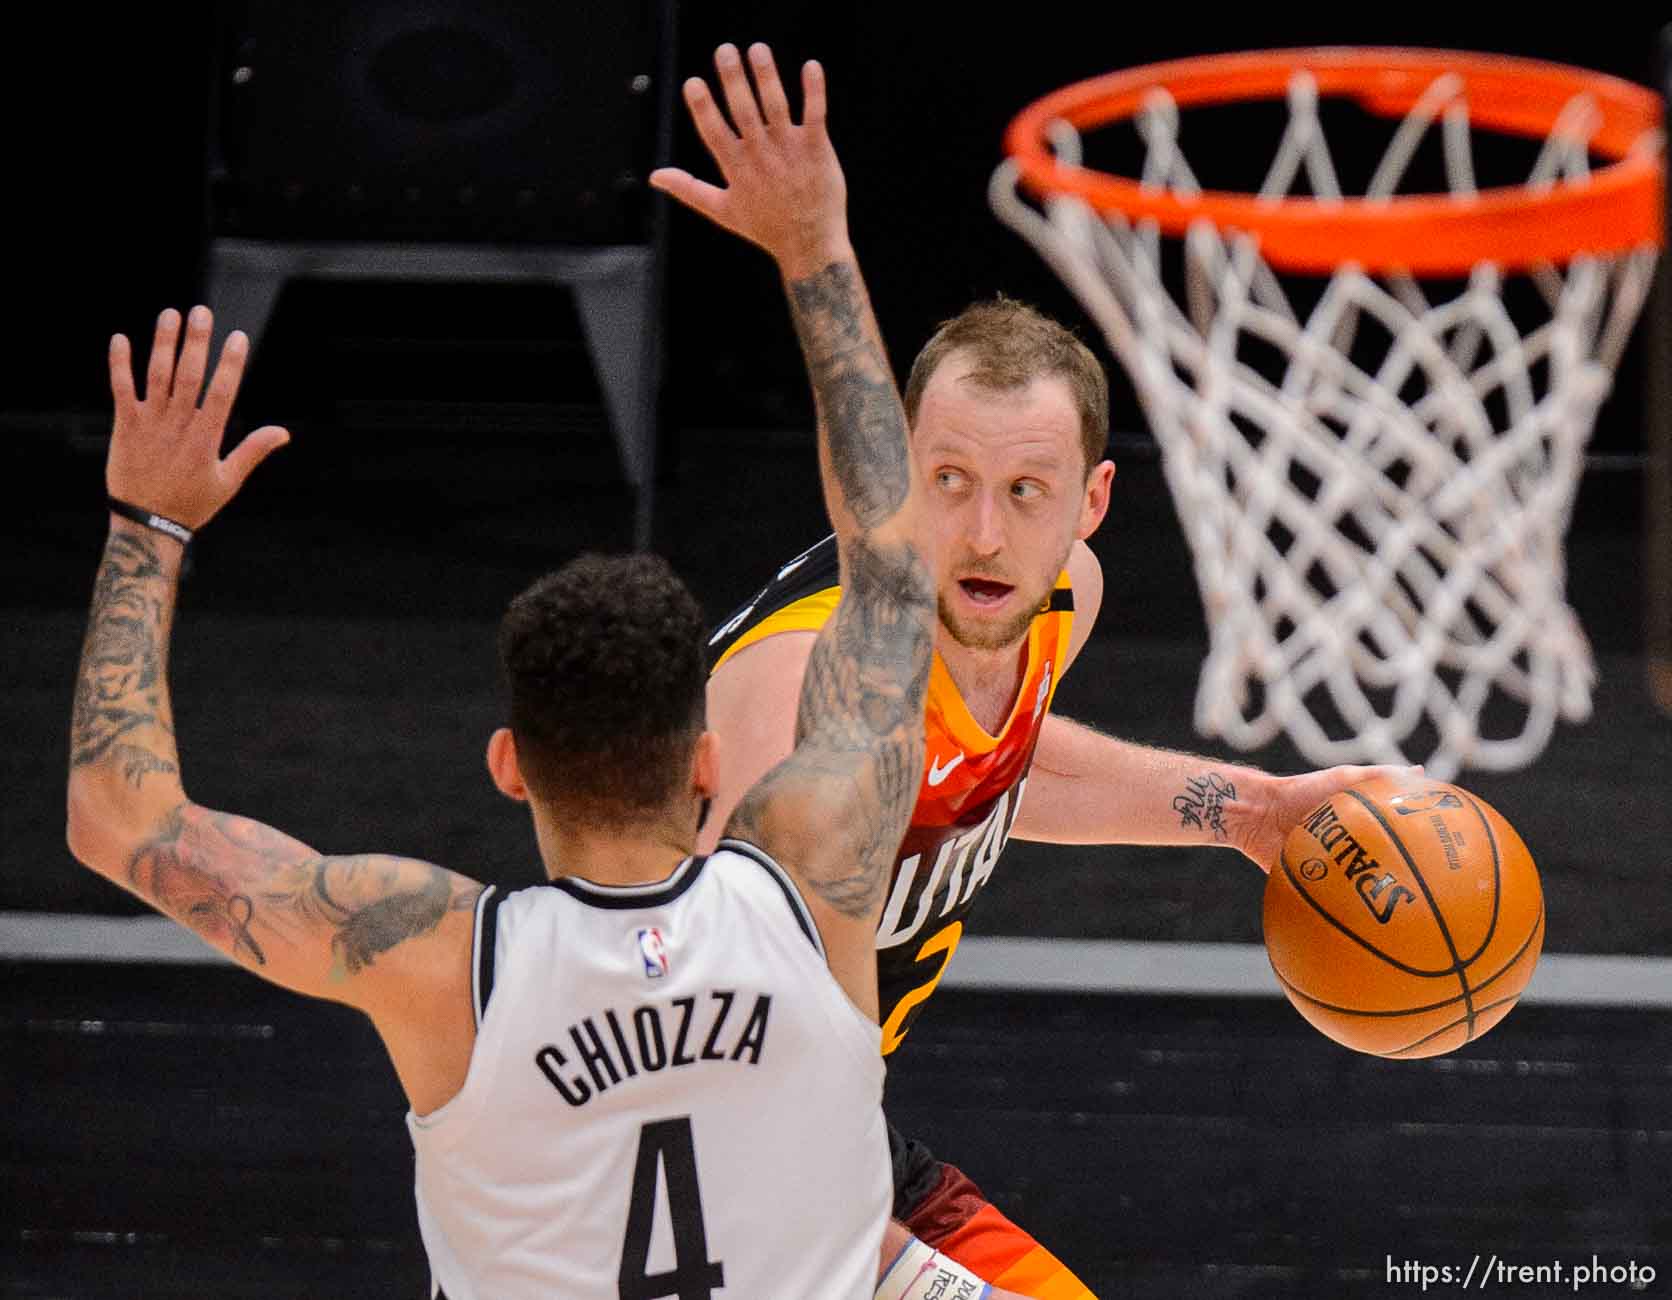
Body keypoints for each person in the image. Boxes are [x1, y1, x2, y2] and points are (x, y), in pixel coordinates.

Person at [65, 46, 939, 1294]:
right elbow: (896, 574)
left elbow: (118, 820)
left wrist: (143, 527)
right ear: (705, 764)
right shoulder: (814, 873)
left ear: (507, 766)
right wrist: (815, 250)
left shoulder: (433, 954)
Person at [663, 43, 1419, 1300]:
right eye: (945, 482)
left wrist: (1246, 810)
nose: (980, 534)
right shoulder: (799, 687)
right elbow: (690, 1000)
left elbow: (998, 771)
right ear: (893, 471)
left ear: (1091, 503)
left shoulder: (1058, 600)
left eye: (1025, 494)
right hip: (689, 1157)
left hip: (840, 1138)